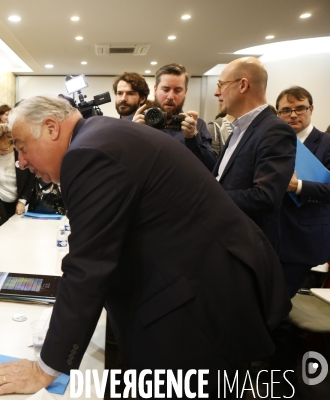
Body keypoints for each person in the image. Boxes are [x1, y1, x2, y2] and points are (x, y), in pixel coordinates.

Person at [0, 96, 290, 396]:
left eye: (22, 147)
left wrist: (45, 368)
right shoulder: (101, 136)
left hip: (199, 307)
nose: (21, 162)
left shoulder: (87, 153)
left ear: (51, 128)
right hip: (199, 287)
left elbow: (88, 266)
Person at [213, 57, 296, 251]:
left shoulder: (275, 131)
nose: (217, 92)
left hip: (246, 246)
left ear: (243, 85)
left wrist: (210, 196)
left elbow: (265, 197)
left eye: (221, 84)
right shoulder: (241, 128)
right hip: (227, 239)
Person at [276, 86, 330, 297]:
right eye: (286, 110)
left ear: (311, 109)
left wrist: (298, 186)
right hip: (271, 235)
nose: (293, 115)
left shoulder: (326, 143)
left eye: (300, 108)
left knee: (281, 305)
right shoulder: (274, 143)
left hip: (304, 239)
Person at [132, 63, 217, 171]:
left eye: (177, 91)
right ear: (155, 90)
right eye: (165, 89)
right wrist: (134, 135)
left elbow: (212, 168)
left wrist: (193, 138)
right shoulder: (137, 123)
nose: (170, 96)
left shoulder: (197, 126)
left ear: (185, 92)